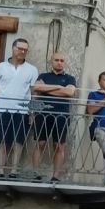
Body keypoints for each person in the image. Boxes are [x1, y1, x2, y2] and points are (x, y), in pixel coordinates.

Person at [0, 37, 39, 178]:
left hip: (22, 111)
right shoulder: (0, 67)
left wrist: (32, 112)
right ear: (13, 48)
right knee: (2, 141)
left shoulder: (32, 69)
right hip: (1, 109)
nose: (22, 51)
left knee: (19, 141)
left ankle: (13, 170)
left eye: (25, 49)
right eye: (20, 48)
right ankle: (0, 171)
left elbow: (33, 92)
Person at [30, 51, 79, 181]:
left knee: (59, 145)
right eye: (57, 60)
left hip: (62, 115)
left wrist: (48, 88)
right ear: (51, 62)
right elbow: (37, 87)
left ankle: (56, 176)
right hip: (43, 113)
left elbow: (69, 92)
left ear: (65, 63)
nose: (59, 62)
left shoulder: (70, 78)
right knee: (40, 143)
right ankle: (36, 173)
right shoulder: (43, 75)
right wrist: (58, 88)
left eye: (62, 60)